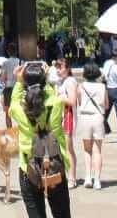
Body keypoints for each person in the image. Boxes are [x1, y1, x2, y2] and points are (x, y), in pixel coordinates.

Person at [9, 61, 70, 218]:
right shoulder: (56, 103)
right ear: (44, 81)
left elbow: (13, 103)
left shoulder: (19, 109)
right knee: (62, 214)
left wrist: (18, 82)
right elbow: (51, 95)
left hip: (29, 167)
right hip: (55, 164)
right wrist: (47, 79)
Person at [76, 60, 108, 190]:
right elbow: (106, 105)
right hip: (98, 117)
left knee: (87, 149)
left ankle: (88, 177)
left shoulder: (81, 86)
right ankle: (97, 180)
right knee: (98, 150)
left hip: (85, 117)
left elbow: (79, 102)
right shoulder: (102, 87)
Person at [54, 57, 78, 190]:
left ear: (67, 69)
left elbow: (73, 101)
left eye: (60, 67)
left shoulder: (70, 81)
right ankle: (66, 174)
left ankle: (72, 177)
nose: (58, 70)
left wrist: (60, 98)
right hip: (61, 116)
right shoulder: (61, 82)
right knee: (63, 148)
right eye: (57, 67)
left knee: (69, 148)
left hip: (68, 115)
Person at [102, 51, 117, 144]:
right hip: (116, 90)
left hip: (108, 89)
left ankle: (102, 130)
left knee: (105, 112)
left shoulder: (107, 64)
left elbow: (103, 76)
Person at [1, 43, 21, 128]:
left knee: (7, 111)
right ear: (16, 51)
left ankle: (9, 130)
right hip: (18, 87)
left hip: (8, 87)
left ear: (8, 51)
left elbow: (3, 78)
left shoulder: (5, 63)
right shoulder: (19, 61)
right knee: (21, 110)